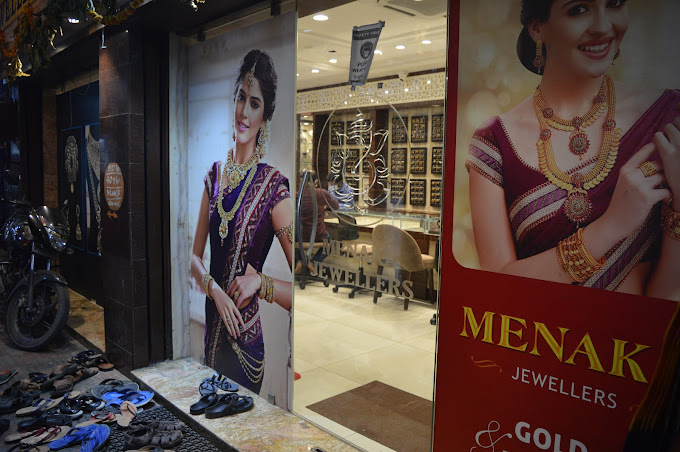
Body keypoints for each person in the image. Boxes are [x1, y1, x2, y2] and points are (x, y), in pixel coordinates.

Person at [466, 0, 680, 299]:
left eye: (615, 3)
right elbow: (497, 288)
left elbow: (666, 302)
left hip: (635, 330)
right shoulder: (495, 141)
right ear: (537, 28)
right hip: (534, 327)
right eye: (579, 9)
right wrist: (611, 226)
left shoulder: (668, 116)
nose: (603, 27)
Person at [191, 49, 294, 394]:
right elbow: (194, 258)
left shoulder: (273, 187)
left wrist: (260, 283)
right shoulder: (214, 176)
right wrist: (214, 291)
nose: (244, 112)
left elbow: (305, 289)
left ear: (265, 116)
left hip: (243, 348)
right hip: (211, 336)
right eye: (241, 97)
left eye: (255, 103)